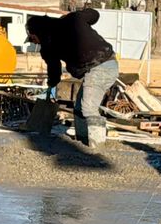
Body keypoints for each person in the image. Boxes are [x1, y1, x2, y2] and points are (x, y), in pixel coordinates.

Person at [27, 9, 118, 148]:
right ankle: (82, 141)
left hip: (100, 66)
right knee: (79, 108)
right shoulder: (72, 20)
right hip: (104, 65)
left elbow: (54, 69)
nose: (36, 43)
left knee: (88, 108)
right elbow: (94, 14)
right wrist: (77, 16)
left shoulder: (49, 43)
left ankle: (98, 146)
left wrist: (52, 85)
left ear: (38, 32)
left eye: (33, 39)